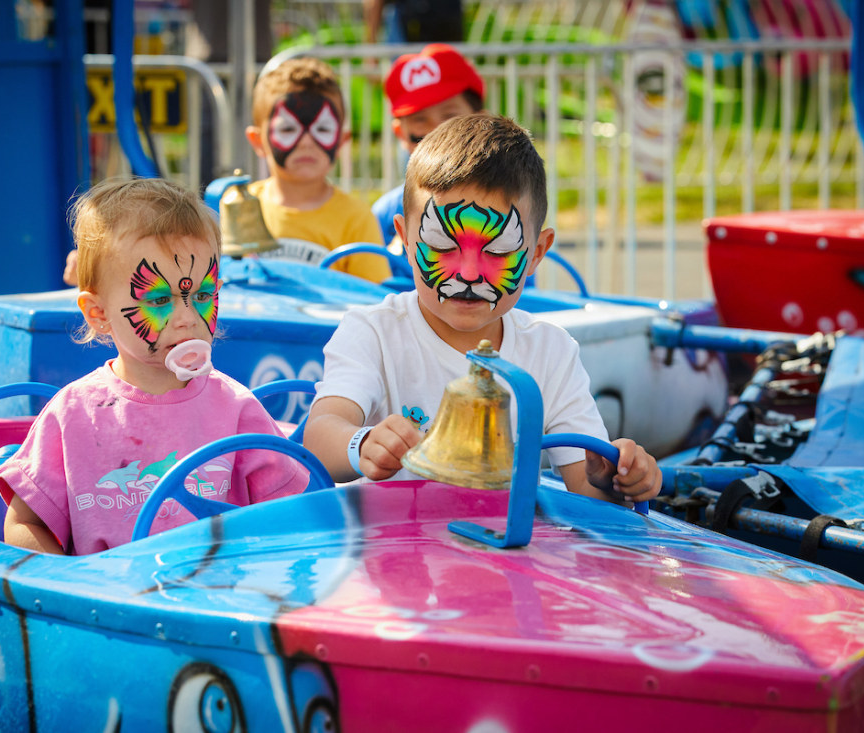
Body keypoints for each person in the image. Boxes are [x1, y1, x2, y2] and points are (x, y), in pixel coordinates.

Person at [303, 113, 662, 505]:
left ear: (536, 253)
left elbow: (589, 488)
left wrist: (620, 476)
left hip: (506, 556)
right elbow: (321, 434)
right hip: (390, 551)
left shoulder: (551, 352)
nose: (470, 273)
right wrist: (362, 442)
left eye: (497, 250)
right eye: (442, 245)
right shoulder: (372, 333)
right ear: (405, 239)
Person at [0, 178, 310, 555]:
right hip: (105, 605)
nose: (188, 317)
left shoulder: (237, 408)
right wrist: (65, 582)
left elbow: (295, 518)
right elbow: (24, 522)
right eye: (160, 299)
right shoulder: (72, 415)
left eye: (203, 295)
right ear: (98, 314)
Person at [244, 57, 390, 283]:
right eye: (288, 129)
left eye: (322, 128)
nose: (306, 142)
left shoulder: (356, 219)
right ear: (257, 141)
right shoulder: (240, 208)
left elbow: (372, 301)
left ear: (342, 140)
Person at [371, 43, 485, 247]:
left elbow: (521, 277)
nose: (436, 131)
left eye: (450, 115)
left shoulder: (505, 203)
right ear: (401, 134)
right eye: (420, 119)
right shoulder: (385, 214)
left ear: (483, 122)